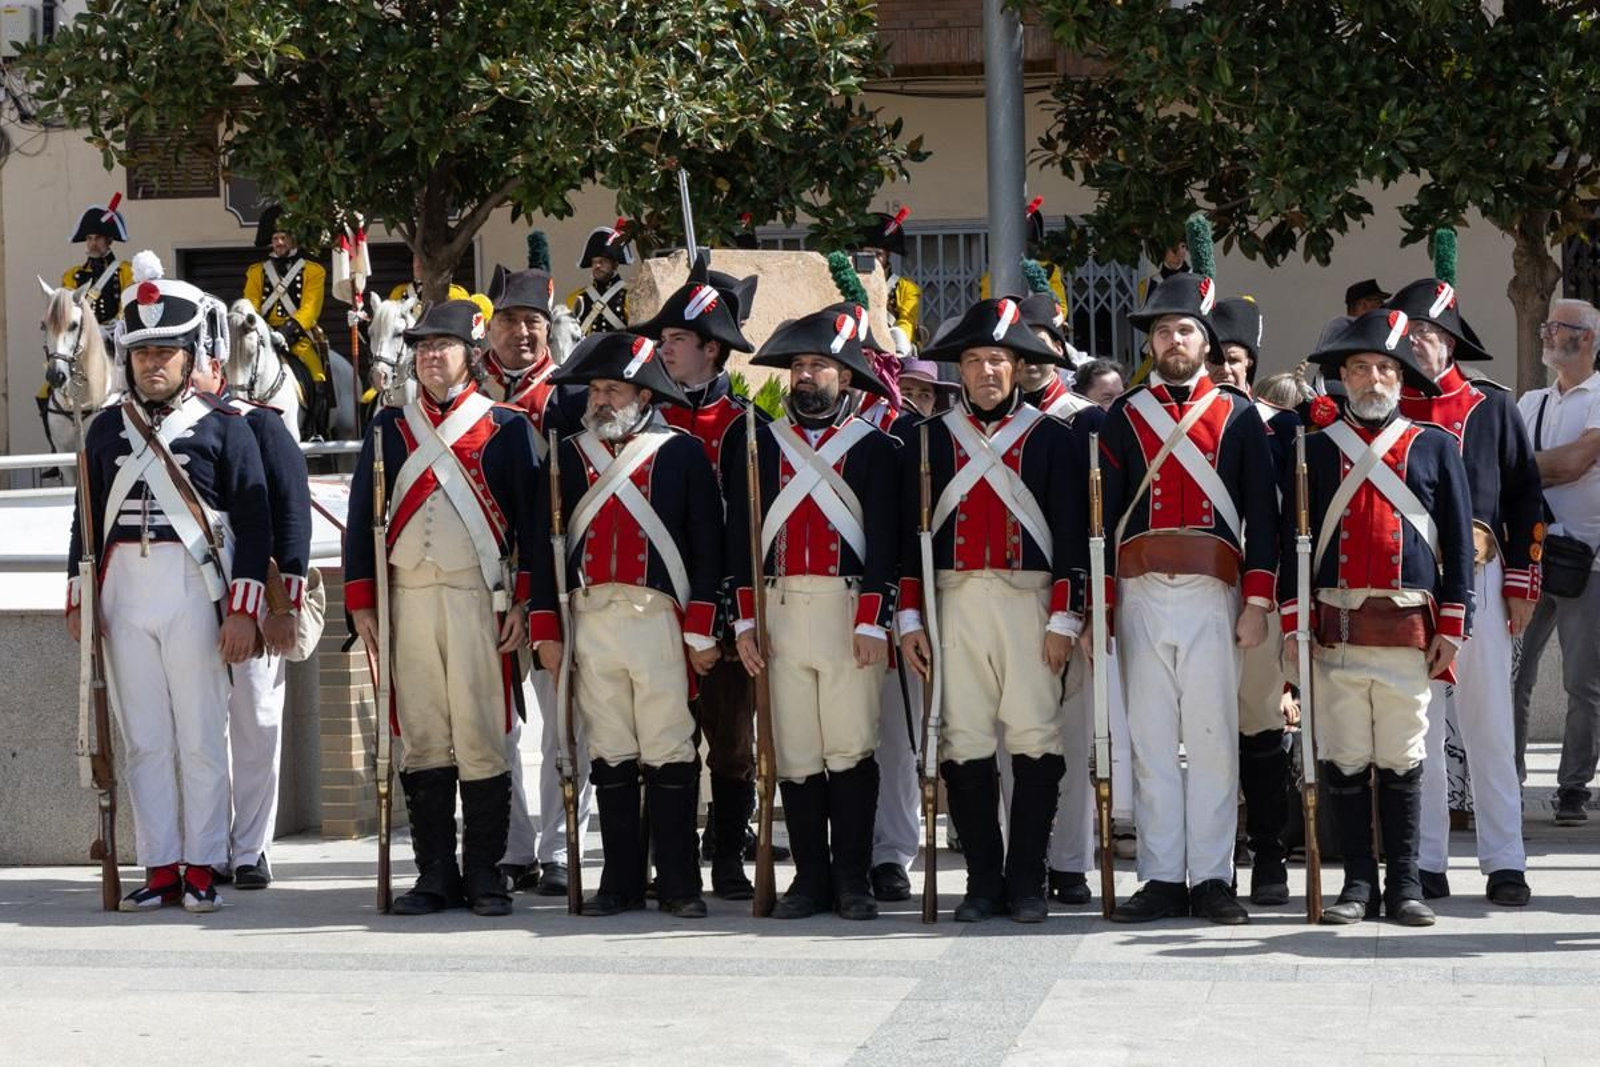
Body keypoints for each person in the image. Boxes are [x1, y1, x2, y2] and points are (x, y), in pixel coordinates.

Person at [66, 273, 272, 913]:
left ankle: (203, 865)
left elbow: (255, 523)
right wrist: (80, 599)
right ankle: (160, 866)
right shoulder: (105, 430)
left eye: (164, 352)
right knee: (145, 739)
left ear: (188, 357)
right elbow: (84, 522)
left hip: (192, 585)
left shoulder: (225, 427)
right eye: (142, 353)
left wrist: (243, 611)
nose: (152, 364)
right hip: (123, 592)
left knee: (201, 737)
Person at [345, 300, 542, 918]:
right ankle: (434, 872)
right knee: (422, 736)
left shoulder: (506, 427)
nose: (430, 356)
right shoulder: (389, 427)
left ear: (471, 355)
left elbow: (533, 527)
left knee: (482, 736)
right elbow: (361, 516)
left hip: (478, 600)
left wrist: (525, 602)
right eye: (422, 347)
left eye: (442, 346)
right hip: (408, 600)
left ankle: (485, 872)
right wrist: (363, 601)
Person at [896, 298, 1087, 924]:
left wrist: (1065, 619)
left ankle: (1027, 879)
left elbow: (1072, 533)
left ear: (1017, 366)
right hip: (953, 603)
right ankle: (983, 882)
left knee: (1036, 739)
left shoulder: (1053, 438)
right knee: (965, 742)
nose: (986, 371)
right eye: (975, 360)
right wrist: (909, 618)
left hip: (1029, 602)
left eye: (998, 360)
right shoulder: (927, 440)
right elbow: (908, 539)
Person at [1099, 273, 1280, 925]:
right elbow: (1105, 519)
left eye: (1184, 330)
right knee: (1150, 740)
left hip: (1213, 590)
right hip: (1141, 590)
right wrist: (1102, 607)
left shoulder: (1238, 414)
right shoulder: (1124, 415)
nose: (1173, 340)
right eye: (1162, 331)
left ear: (1206, 342)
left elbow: (1263, 513)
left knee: (1212, 740)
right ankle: (1159, 877)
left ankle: (1210, 876)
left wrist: (1257, 602)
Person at [1287, 308, 1475, 926]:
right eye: (1361, 368)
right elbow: (1292, 544)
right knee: (1344, 757)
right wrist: (1293, 626)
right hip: (1336, 630)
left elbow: (1458, 542)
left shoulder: (1435, 446)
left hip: (1408, 632)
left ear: (1401, 378)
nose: (1373, 379)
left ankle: (1406, 884)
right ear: (1343, 376)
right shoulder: (1313, 449)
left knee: (1402, 758)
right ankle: (1357, 884)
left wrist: (1453, 625)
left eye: (1385, 369)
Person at [528, 331, 724, 919]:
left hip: (657, 618)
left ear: (643, 396)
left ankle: (680, 882)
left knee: (668, 747)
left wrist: (701, 628)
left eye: (612, 390)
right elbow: (542, 549)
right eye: (595, 390)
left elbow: (708, 547)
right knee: (610, 751)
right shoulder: (567, 456)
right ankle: (619, 881)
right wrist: (547, 629)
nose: (600, 400)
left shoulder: (682, 453)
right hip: (590, 617)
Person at [725, 307, 900, 919]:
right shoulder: (757, 444)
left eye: (818, 365)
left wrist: (873, 620)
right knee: (796, 751)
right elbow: (740, 541)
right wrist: (746, 621)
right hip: (778, 609)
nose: (804, 375)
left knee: (850, 747)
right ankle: (810, 878)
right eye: (798, 365)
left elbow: (887, 541)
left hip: (847, 607)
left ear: (845, 377)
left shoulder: (876, 448)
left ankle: (852, 877)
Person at [1389, 278, 1542, 906]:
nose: (1417, 344)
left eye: (1428, 334)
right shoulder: (1384, 409)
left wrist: (1521, 582)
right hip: (1408, 587)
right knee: (1417, 728)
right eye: (1410, 334)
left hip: (1479, 577)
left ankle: (1505, 860)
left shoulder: (1492, 407)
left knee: (1489, 725)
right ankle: (1427, 862)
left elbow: (1525, 497)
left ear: (1451, 343)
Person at [634, 261, 775, 899]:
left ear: (712, 349)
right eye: (662, 340)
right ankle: (669, 858)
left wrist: (737, 615)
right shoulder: (644, 419)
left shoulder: (748, 426)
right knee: (664, 738)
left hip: (723, 611)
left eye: (676, 340)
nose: (663, 350)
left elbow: (751, 530)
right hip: (658, 608)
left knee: (731, 743)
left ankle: (727, 855)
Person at [189, 296, 312, 891]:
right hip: (190, 595)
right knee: (200, 728)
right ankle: (209, 845)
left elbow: (290, 516)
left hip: (259, 595)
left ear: (216, 366)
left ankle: (250, 849)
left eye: (193, 360)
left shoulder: (260, 422)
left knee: (257, 722)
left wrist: (285, 605)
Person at [477, 265, 590, 896]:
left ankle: (562, 845)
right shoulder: (467, 393)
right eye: (511, 321)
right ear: (489, 326)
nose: (522, 333)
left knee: (565, 719)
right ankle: (514, 846)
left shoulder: (570, 398)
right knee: (497, 721)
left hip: (552, 579)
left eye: (533, 322)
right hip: (484, 582)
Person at [1208, 296, 1299, 906]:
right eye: (1214, 358)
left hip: (1258, 593)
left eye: (1234, 358)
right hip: (1193, 589)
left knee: (1261, 727)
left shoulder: (1283, 427)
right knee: (1204, 730)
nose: (1223, 368)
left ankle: (1269, 854)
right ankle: (1211, 859)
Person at [1514, 298, 1600, 825]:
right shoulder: (1532, 401)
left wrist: (1524, 467)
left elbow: (1574, 464)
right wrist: (1537, 467)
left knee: (1582, 682)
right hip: (1532, 556)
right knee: (1514, 677)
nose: (1546, 333)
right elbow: (1510, 465)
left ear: (1586, 337)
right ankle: (1509, 779)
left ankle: (1573, 786)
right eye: (1545, 325)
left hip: (1588, 561)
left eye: (1557, 326)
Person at [244, 206, 331, 432]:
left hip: (298, 338)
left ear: (294, 240)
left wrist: (284, 333)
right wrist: (260, 330)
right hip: (264, 336)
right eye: (275, 238)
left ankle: (317, 431)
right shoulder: (256, 272)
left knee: (318, 376)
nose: (279, 242)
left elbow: (310, 309)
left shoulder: (313, 271)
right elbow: (250, 305)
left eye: (284, 237)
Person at [61, 196, 134, 332]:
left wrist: (112, 328)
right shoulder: (72, 275)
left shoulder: (126, 271)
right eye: (89, 239)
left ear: (109, 240)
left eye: (98, 238)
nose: (93, 244)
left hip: (116, 335)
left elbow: (128, 305)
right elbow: (68, 309)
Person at [1019, 293, 1093, 418]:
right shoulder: (994, 415)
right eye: (1022, 343)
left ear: (1058, 349)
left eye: (1039, 343)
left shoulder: (1087, 416)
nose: (1029, 352)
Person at [858, 208, 921, 342]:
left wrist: (898, 341)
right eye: (867, 253)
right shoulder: (849, 282)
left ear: (888, 256)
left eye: (878, 254)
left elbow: (907, 321)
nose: (873, 259)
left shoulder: (906, 288)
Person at [567, 220, 633, 336]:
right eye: (594, 262)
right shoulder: (576, 298)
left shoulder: (629, 296)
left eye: (603, 261)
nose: (597, 265)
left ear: (615, 265)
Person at [388, 252, 470, 323]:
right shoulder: (399, 292)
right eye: (415, 258)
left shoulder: (456, 293)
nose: (418, 262)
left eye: (423, 258)